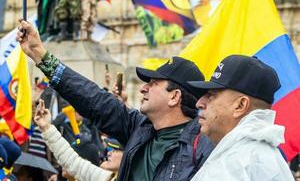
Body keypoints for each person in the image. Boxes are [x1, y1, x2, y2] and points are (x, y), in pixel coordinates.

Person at [17, 20, 214, 181]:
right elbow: (93, 98)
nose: (144, 87)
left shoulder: (204, 149)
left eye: (154, 83)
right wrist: (40, 55)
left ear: (174, 96)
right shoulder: (139, 128)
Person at [187, 55, 294, 180]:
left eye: (211, 95)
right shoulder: (260, 157)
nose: (199, 103)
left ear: (240, 105)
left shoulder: (234, 164)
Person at [34, 99, 112, 181]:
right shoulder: (63, 124)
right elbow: (71, 161)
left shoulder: (87, 127)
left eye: (116, 150)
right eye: (77, 110)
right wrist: (47, 127)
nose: (110, 153)